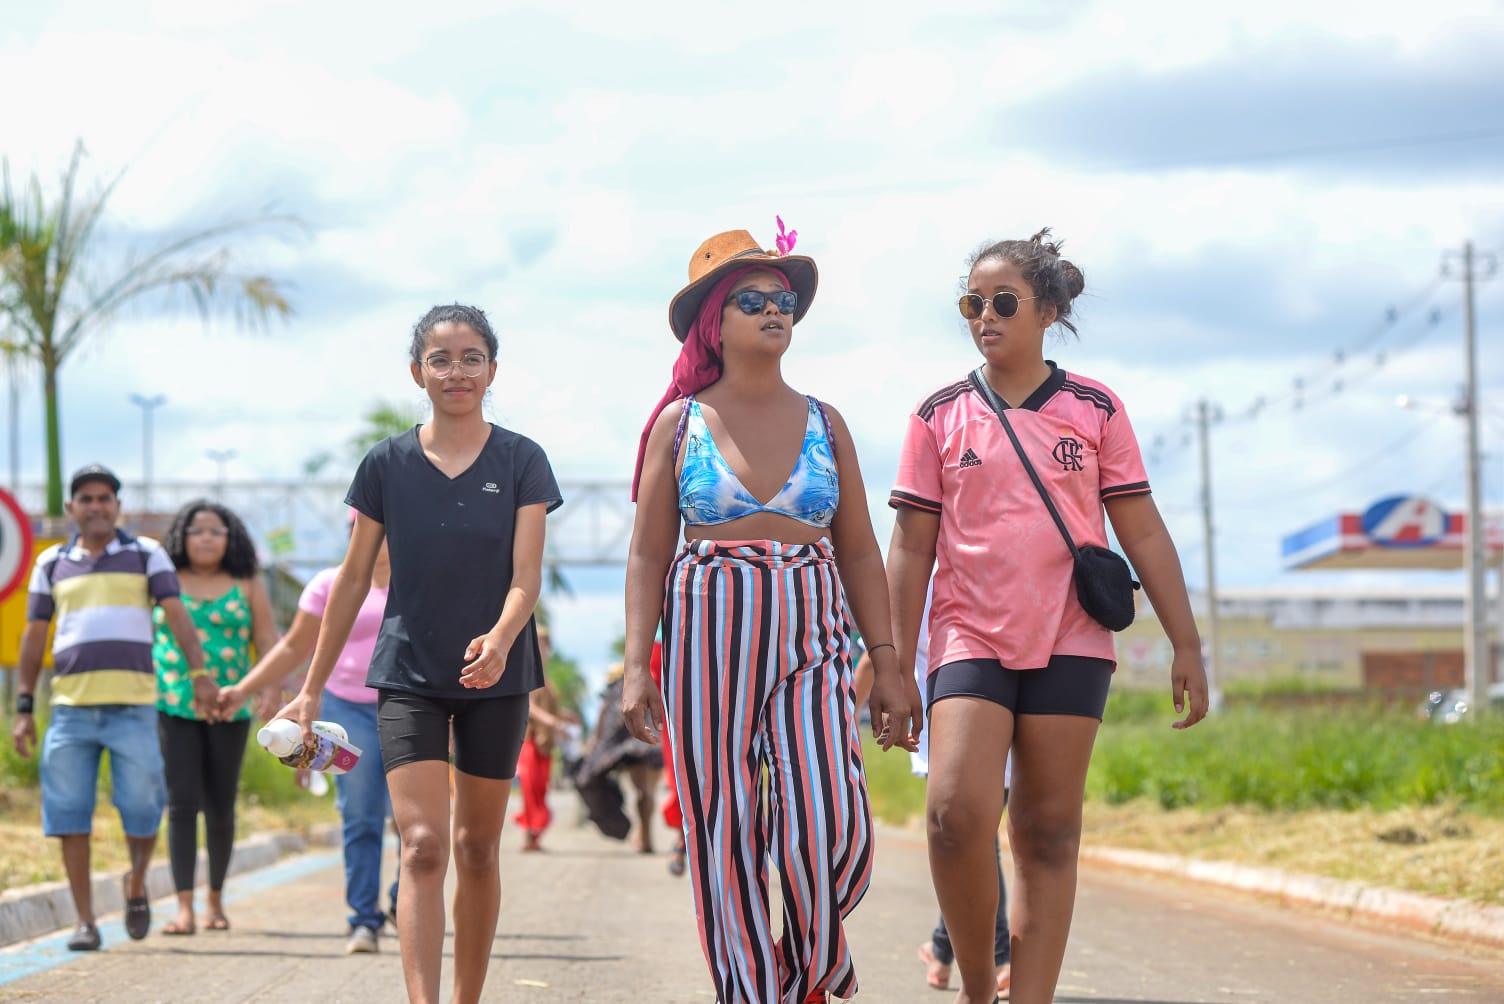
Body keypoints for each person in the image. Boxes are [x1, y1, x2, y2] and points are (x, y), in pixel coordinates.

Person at [886, 229, 1209, 1004]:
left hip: (1072, 638)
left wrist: (1186, 643)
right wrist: (891, 657)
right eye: (972, 303)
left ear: (1050, 310)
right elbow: (909, 547)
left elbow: (1141, 530)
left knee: (1047, 831)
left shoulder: (1095, 408)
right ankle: (975, 986)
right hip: (968, 634)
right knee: (955, 816)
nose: (985, 316)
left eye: (1003, 302)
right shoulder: (939, 414)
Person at [622, 224, 922, 1004]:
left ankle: (811, 965)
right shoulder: (679, 424)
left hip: (813, 630)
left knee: (829, 822)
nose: (773, 311)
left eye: (782, 300)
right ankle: (758, 991)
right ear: (713, 322)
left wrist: (887, 662)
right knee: (723, 826)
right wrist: (634, 668)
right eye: (751, 300)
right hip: (702, 628)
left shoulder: (828, 421)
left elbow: (859, 551)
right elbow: (649, 555)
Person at [272, 304, 562, 1004]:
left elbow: (527, 576)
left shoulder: (522, 459)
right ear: (417, 373)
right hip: (408, 675)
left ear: (492, 370)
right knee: (425, 844)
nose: (456, 371)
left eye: (471, 358)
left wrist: (499, 640)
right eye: (441, 358)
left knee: (477, 850)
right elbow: (349, 579)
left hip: (497, 674)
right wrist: (309, 691)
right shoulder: (386, 464)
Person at [10, 464, 216, 951]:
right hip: (70, 712)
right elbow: (34, 635)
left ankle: (137, 881)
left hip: (133, 709)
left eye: (105, 498)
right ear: (71, 508)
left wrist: (200, 675)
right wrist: (23, 705)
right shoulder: (51, 563)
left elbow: (178, 617)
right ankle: (85, 920)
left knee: (145, 806)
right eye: (87, 498)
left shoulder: (147, 555)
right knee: (68, 814)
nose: (97, 506)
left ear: (117, 507)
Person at [218, 516, 399, 954]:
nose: (374, 536)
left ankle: (403, 898)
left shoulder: (423, 583)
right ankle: (363, 920)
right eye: (363, 527)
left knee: (414, 821)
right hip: (342, 710)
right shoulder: (328, 583)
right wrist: (243, 688)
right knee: (359, 814)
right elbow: (293, 646)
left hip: (408, 707)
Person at [853, 587, 1011, 998]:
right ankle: (973, 954)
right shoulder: (942, 582)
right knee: (975, 842)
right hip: (966, 726)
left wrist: (842, 706)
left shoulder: (944, 579)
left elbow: (872, 659)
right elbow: (877, 656)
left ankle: (965, 954)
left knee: (971, 846)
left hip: (972, 725)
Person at [152, 499, 277, 937]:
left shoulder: (247, 583)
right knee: (182, 802)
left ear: (231, 539)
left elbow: (266, 638)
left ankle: (216, 901)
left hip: (232, 706)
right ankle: (183, 907)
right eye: (197, 530)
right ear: (182, 538)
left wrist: (271, 689)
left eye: (216, 531)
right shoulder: (163, 581)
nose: (206, 538)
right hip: (174, 703)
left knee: (221, 805)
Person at [576, 664, 662, 851]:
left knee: (643, 793)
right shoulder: (650, 681)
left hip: (632, 746)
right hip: (651, 742)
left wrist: (594, 749)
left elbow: (602, 723)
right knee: (647, 792)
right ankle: (645, 835)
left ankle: (644, 835)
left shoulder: (614, 692)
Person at [513, 625, 574, 851]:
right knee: (529, 789)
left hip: (545, 744)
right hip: (528, 740)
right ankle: (529, 836)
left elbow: (549, 708)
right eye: (539, 643)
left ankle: (535, 838)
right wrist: (552, 721)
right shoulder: (524, 670)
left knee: (540, 790)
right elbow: (527, 705)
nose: (543, 648)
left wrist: (566, 717)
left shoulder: (545, 676)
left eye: (546, 644)